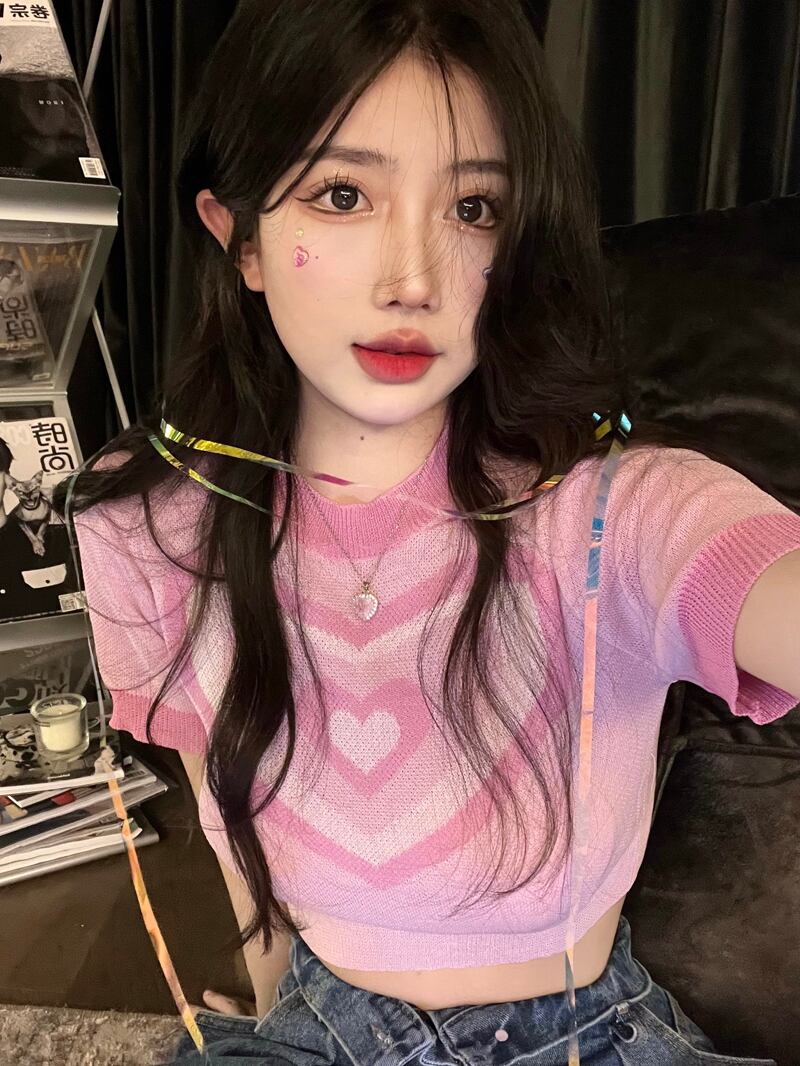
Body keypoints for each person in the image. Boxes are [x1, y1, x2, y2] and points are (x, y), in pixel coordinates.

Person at [54, 1, 800, 1062]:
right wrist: (272, 1021)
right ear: (240, 237)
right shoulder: (148, 518)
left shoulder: (612, 514)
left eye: (473, 207)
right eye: (342, 195)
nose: (412, 278)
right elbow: (230, 826)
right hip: (316, 1021)